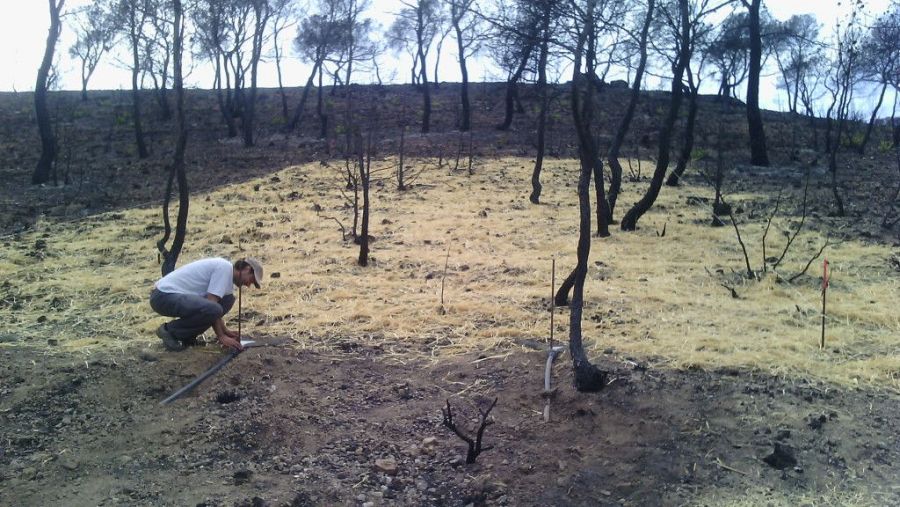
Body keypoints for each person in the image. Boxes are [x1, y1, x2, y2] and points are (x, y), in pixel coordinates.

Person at [150, 257, 263, 352]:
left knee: (227, 300)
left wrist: (225, 331)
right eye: (251, 280)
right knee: (214, 308)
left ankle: (186, 336)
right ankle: (169, 331)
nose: (248, 285)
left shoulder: (227, 279)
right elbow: (212, 305)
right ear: (247, 269)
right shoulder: (225, 268)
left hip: (175, 297)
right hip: (163, 295)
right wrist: (221, 336)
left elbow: (213, 308)